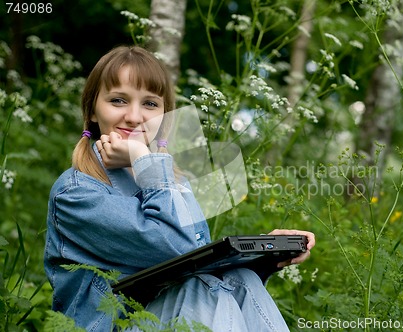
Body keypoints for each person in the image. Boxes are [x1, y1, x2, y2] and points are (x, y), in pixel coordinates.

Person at [44, 45, 315, 331]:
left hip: (168, 317)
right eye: (119, 100)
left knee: (242, 281)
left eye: (150, 104)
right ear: (93, 111)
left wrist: (263, 257)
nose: (135, 117)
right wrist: (143, 158)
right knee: (201, 290)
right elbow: (175, 248)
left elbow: (194, 263)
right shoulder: (76, 193)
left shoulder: (174, 182)